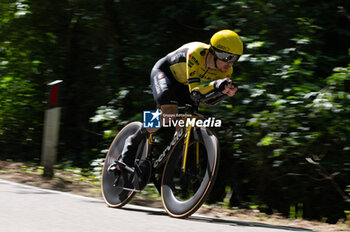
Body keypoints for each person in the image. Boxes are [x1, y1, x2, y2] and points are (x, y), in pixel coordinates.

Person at [109, 29, 243, 171]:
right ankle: (133, 140)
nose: (230, 63)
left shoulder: (226, 71)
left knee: (184, 129)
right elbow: (196, 90)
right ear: (216, 53)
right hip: (166, 73)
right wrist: (216, 85)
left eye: (235, 58)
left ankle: (165, 169)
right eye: (228, 57)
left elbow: (207, 100)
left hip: (188, 86)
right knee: (169, 112)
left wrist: (224, 93)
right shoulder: (196, 54)